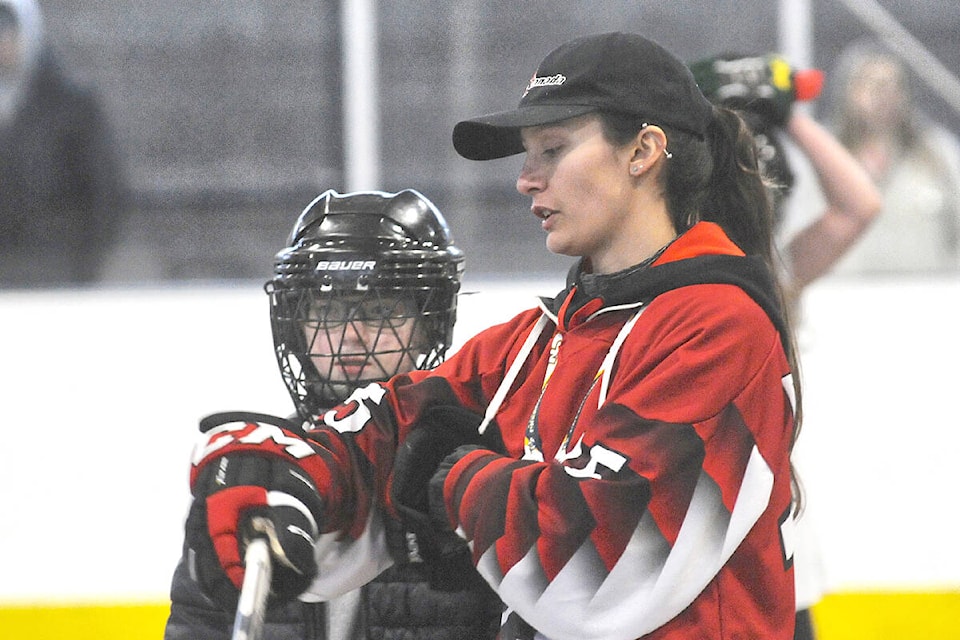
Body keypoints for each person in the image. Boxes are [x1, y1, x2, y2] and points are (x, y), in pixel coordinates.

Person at [180, 32, 803, 639]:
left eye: (553, 150)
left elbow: (599, 569)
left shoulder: (720, 328)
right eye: (527, 155)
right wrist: (281, 469)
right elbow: (389, 428)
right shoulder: (538, 341)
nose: (526, 179)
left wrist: (449, 482)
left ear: (642, 151)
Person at [164, 189, 502, 639]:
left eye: (382, 311)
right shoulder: (254, 472)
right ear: (294, 324)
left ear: (431, 324)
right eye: (327, 310)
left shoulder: (478, 470)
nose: (351, 336)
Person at [691, 52, 883, 640]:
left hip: (776, 542)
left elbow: (860, 204)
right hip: (704, 549)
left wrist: (789, 112)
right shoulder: (693, 276)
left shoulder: (774, 274)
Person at [0, 0, 128, 287]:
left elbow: (104, 193)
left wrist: (78, 266)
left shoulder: (71, 105)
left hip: (52, 277)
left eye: (7, 30)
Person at [812, 39, 960, 275]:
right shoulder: (821, 156)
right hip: (840, 297)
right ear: (847, 89)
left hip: (929, 295)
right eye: (869, 83)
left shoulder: (938, 155)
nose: (883, 95)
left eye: (892, 84)